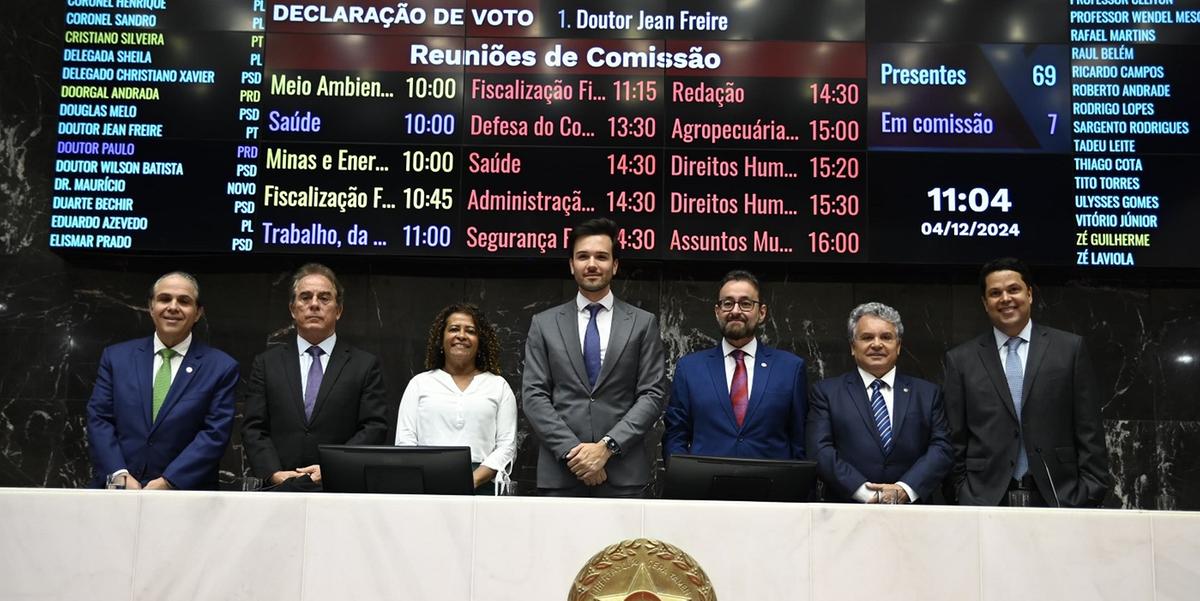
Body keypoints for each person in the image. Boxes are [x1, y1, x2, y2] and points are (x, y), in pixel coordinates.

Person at [943, 258, 1109, 507]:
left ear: (1029, 294)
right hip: (985, 499)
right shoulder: (960, 360)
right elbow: (954, 437)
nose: (1005, 298)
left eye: (1014, 289)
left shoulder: (1069, 349)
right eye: (995, 293)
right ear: (985, 303)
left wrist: (1089, 491)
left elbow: (1089, 429)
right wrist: (961, 492)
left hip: (1060, 495)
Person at [522, 217, 668, 497]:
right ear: (571, 265)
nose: (592, 264)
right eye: (582, 256)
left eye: (601, 256)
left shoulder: (642, 323)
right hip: (561, 473)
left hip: (624, 473)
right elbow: (534, 395)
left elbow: (651, 394)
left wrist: (607, 448)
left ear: (614, 265)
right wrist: (575, 455)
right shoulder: (544, 323)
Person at [241, 263, 389, 491]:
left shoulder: (364, 365)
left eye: (324, 298)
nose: (314, 305)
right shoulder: (267, 363)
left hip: (341, 488)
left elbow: (373, 427)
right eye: (305, 297)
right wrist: (275, 473)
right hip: (279, 489)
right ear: (292, 309)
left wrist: (332, 467)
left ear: (338, 310)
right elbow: (254, 427)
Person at [86, 272, 238, 490]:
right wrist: (119, 475)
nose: (173, 307)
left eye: (184, 301)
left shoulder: (221, 367)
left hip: (185, 496)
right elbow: (99, 418)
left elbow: (214, 434)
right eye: (165, 299)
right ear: (151, 307)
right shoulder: (116, 358)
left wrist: (168, 482)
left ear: (198, 313)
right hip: (116, 491)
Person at [808, 302, 953, 503]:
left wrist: (904, 489)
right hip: (846, 512)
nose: (877, 344)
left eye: (886, 337)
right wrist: (865, 493)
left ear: (899, 346)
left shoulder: (927, 394)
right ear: (852, 346)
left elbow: (942, 447)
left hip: (913, 513)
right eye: (867, 337)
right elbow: (819, 449)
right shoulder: (827, 393)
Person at [664, 270, 807, 461]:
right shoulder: (689, 369)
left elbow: (800, 440)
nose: (736, 311)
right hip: (704, 487)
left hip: (772, 487)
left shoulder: (790, 368)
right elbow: (675, 435)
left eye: (746, 304)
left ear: (762, 312)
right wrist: (683, 478)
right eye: (728, 303)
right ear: (717, 311)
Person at [395, 303, 517, 495]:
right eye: (453, 329)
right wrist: (428, 478)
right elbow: (405, 442)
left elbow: (507, 446)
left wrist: (471, 480)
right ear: (441, 339)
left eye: (470, 331)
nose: (461, 335)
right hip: (427, 485)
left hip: (483, 486)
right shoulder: (419, 384)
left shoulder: (498, 386)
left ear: (480, 342)